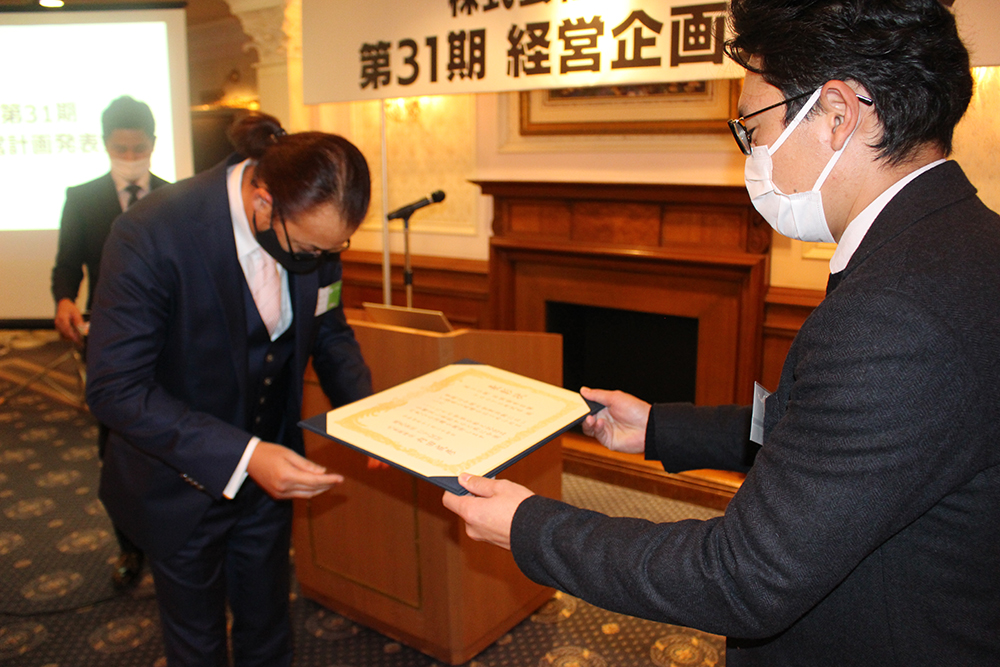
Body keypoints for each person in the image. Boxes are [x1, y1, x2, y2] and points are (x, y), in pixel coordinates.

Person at [443, 0, 1000, 663]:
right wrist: (660, 428)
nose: (752, 154)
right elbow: (823, 437)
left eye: (753, 127)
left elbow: (743, 576)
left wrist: (529, 526)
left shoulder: (898, 310)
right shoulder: (958, 245)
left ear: (837, 113)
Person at [85, 112, 373, 666]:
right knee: (197, 642)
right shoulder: (153, 232)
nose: (322, 259)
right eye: (311, 249)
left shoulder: (314, 235)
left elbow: (329, 328)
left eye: (334, 248)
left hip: (270, 476)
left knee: (268, 624)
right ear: (264, 202)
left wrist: (366, 415)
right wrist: (244, 456)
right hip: (176, 481)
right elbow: (115, 387)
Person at [51, 95, 168, 589]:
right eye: (121, 149)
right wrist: (63, 299)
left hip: (168, 341)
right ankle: (129, 546)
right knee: (117, 448)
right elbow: (67, 264)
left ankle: (170, 536)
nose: (130, 156)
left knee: (169, 439)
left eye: (139, 148)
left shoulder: (174, 196)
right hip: (110, 342)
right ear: (105, 145)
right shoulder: (82, 198)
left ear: (153, 144)